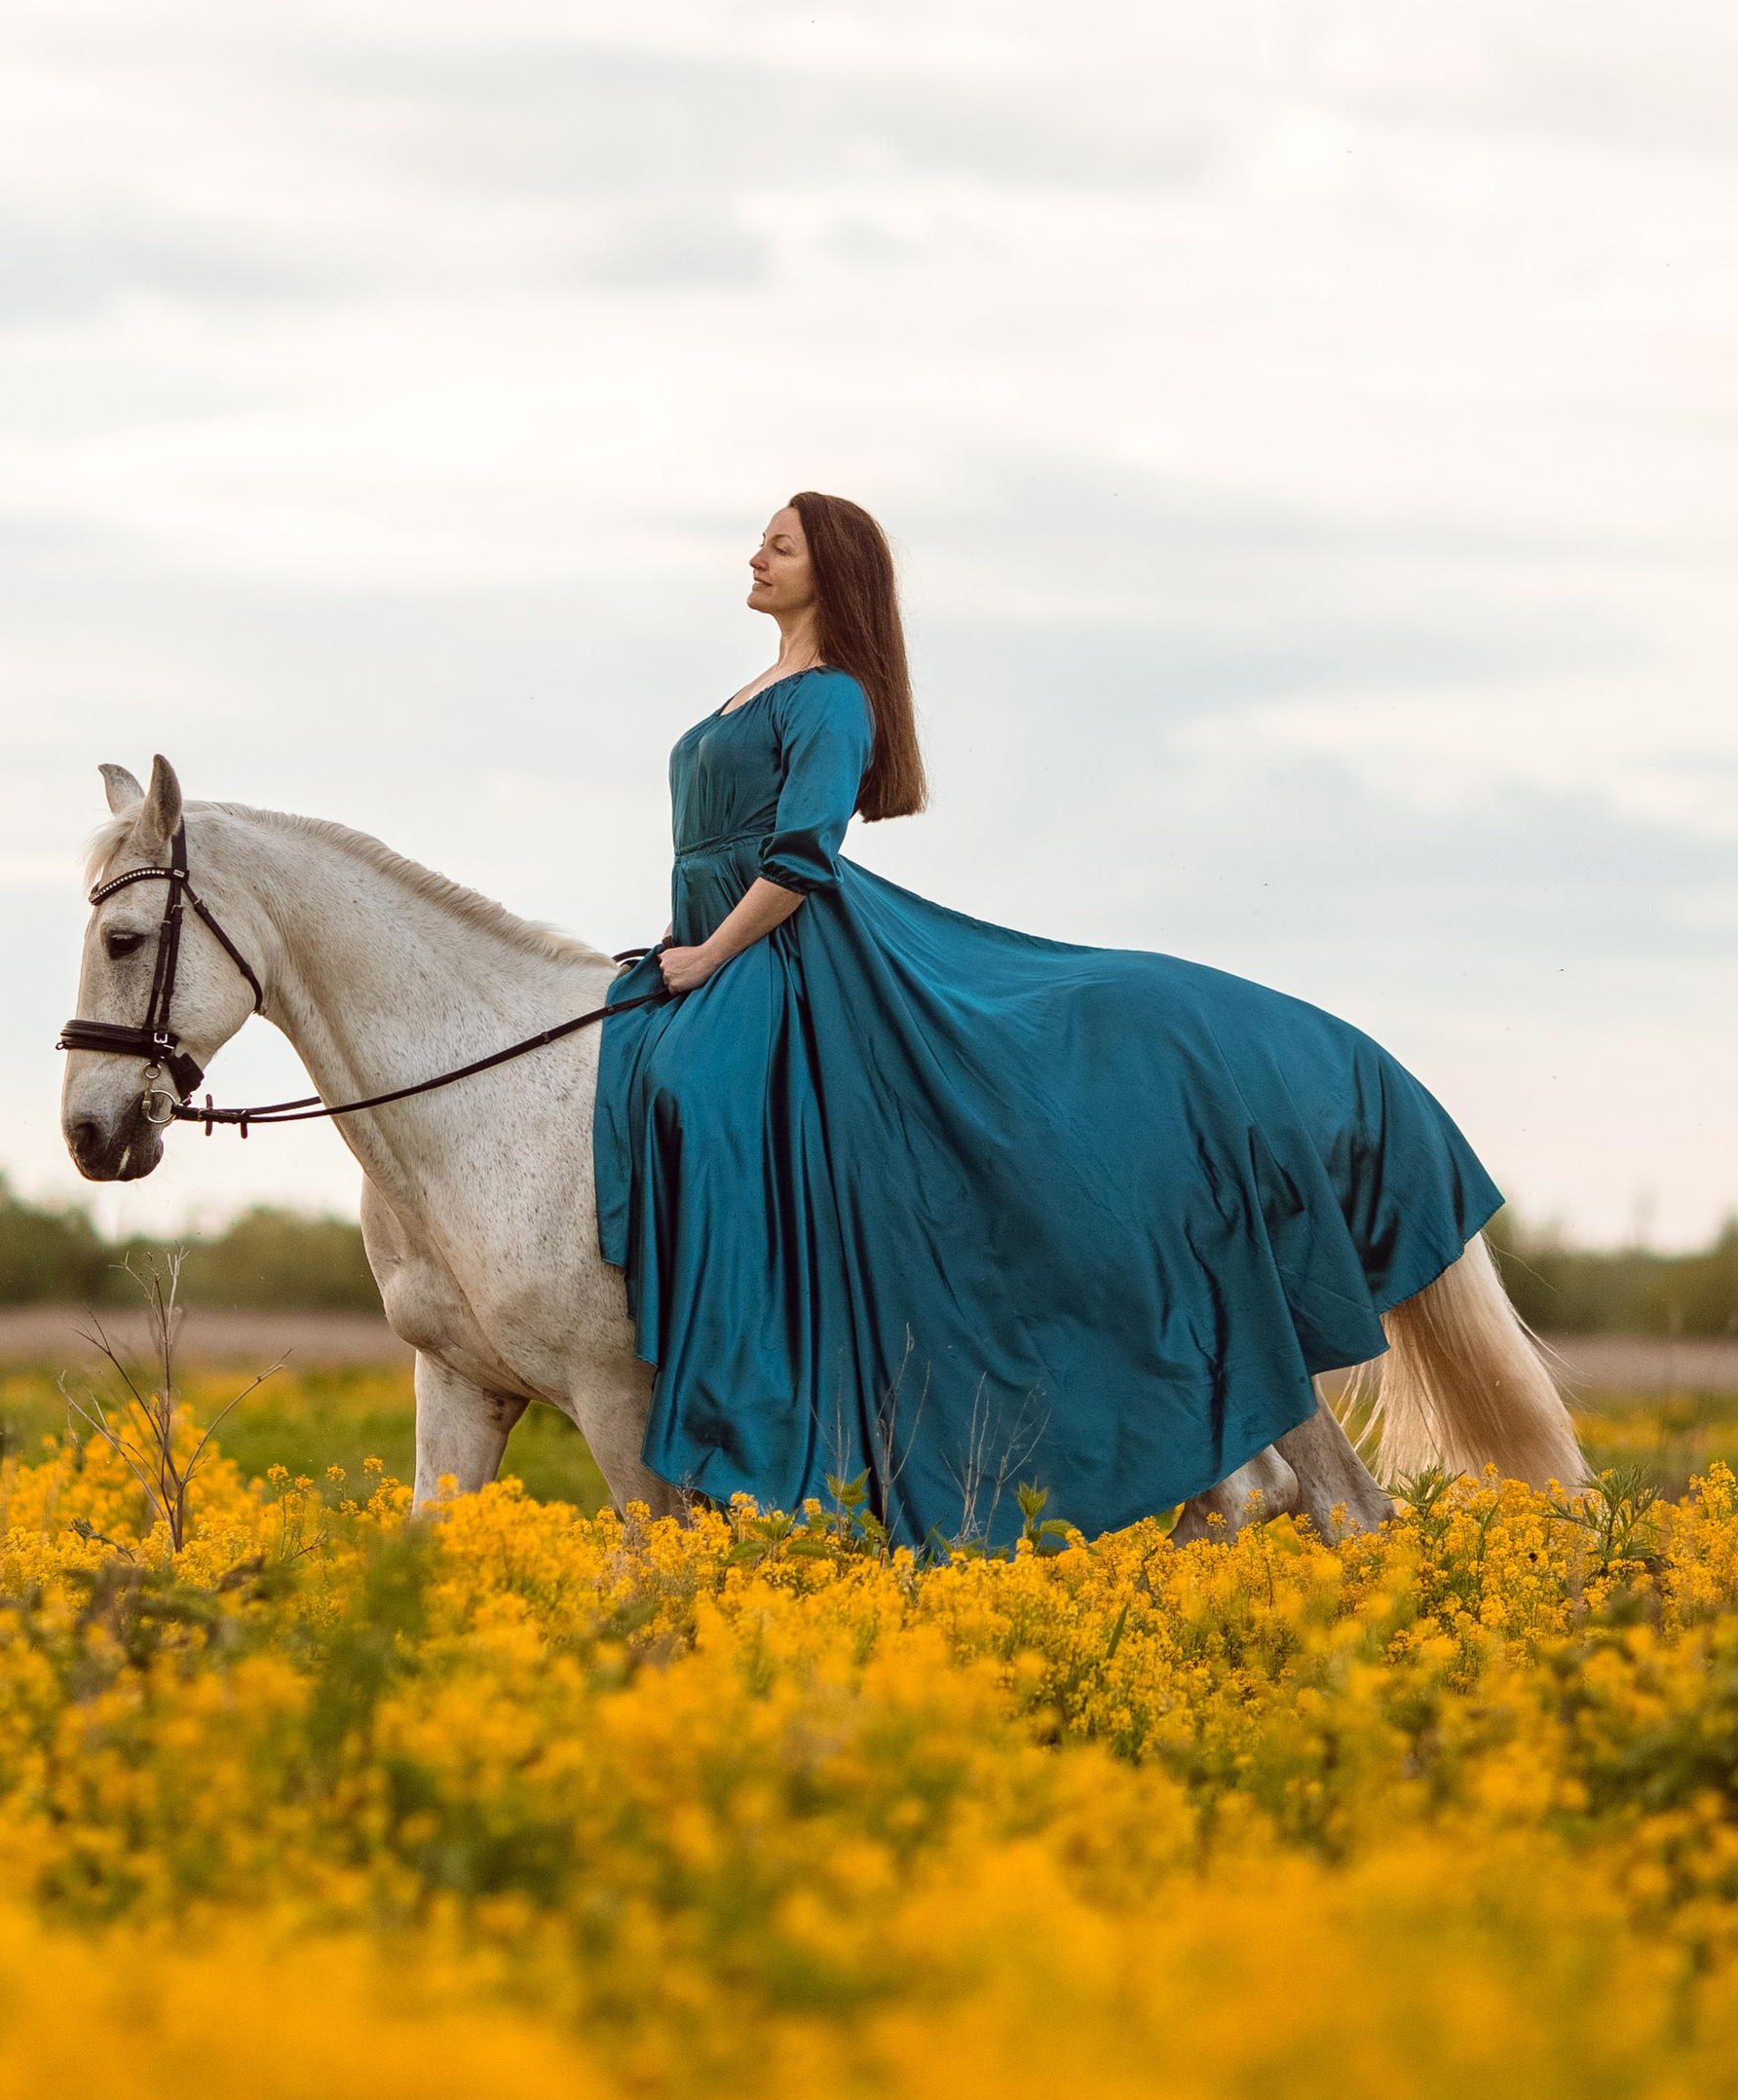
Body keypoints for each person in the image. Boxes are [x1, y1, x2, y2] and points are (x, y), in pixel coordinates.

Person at [593, 493, 1503, 1549]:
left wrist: (710, 952)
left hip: (789, 960)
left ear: (829, 572)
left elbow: (802, 853)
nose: (753, 554)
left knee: (702, 1105)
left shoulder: (832, 696)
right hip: (717, 947)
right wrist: (683, 941)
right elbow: (711, 845)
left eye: (779, 544)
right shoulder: (756, 688)